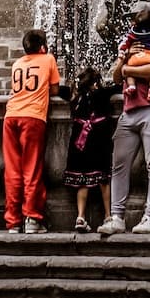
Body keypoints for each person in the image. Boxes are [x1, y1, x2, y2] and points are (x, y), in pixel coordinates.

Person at [100, 1, 150, 236]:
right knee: (118, 166)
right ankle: (117, 217)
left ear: (148, 16)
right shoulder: (130, 41)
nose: (132, 20)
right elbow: (114, 76)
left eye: (136, 16)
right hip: (128, 111)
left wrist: (128, 71)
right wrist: (124, 61)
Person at [2, 29, 61, 234]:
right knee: (32, 169)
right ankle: (32, 218)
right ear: (43, 46)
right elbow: (54, 89)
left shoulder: (17, 63)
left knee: (12, 171)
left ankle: (13, 222)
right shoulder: (48, 59)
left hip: (10, 116)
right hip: (33, 117)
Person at [61, 66, 118, 233]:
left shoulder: (75, 96)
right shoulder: (102, 93)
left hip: (79, 143)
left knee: (82, 180)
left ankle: (80, 216)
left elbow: (57, 90)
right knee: (103, 179)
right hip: (98, 141)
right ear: (95, 83)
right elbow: (118, 87)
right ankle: (108, 215)